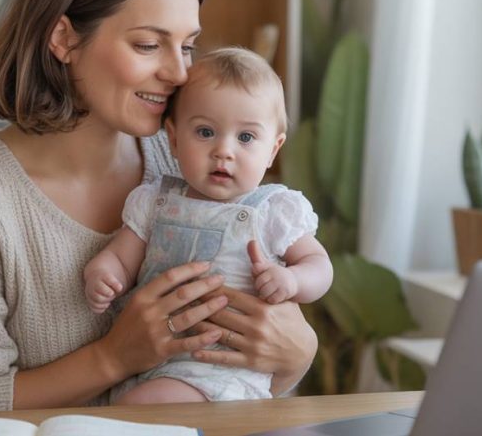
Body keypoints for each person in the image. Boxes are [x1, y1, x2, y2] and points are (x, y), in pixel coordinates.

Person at [0, 0, 317, 414]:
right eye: (148, 44)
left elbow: (247, 378)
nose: (179, 74)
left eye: (187, 47)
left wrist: (297, 354)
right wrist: (112, 358)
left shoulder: (194, 160)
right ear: (63, 38)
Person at [84, 47, 333, 405]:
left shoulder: (273, 210)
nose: (223, 151)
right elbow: (121, 257)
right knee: (132, 405)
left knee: (137, 409)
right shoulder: (155, 201)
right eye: (205, 132)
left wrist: (293, 280)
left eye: (245, 138)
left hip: (222, 371)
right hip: (152, 361)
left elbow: (319, 266)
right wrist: (103, 273)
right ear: (172, 137)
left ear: (273, 150)